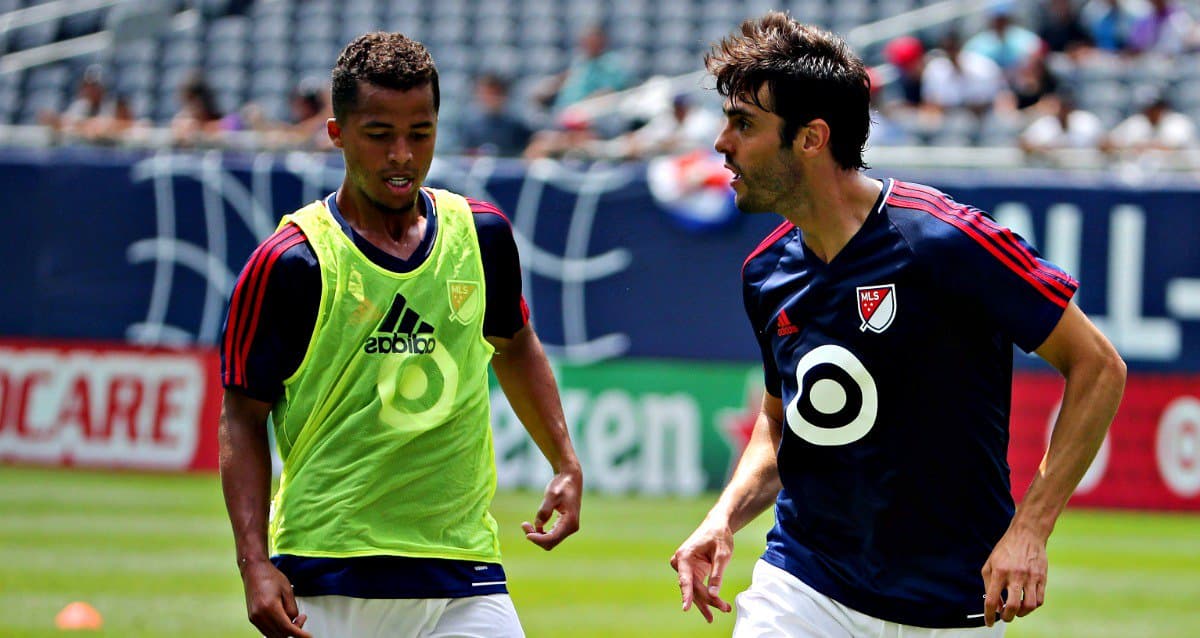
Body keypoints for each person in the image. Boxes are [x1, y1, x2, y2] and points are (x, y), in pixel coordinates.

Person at [671, 13, 1125, 637]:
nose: (721, 144)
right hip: (805, 583)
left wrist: (1030, 529)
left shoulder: (948, 241)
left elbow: (1098, 366)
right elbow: (782, 424)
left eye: (743, 124)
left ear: (811, 138)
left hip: (947, 602)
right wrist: (723, 517)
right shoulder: (764, 271)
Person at [219, 32, 582, 638]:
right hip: (328, 575)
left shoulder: (483, 234)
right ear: (336, 134)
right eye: (379, 134)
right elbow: (241, 414)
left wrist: (565, 461)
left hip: (464, 575)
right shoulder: (290, 262)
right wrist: (253, 562)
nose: (402, 156)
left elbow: (515, 344)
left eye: (420, 133)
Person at [458, 73, 533, 156]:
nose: (490, 98)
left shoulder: (517, 126)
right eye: (486, 94)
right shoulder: (471, 127)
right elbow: (467, 156)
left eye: (494, 93)